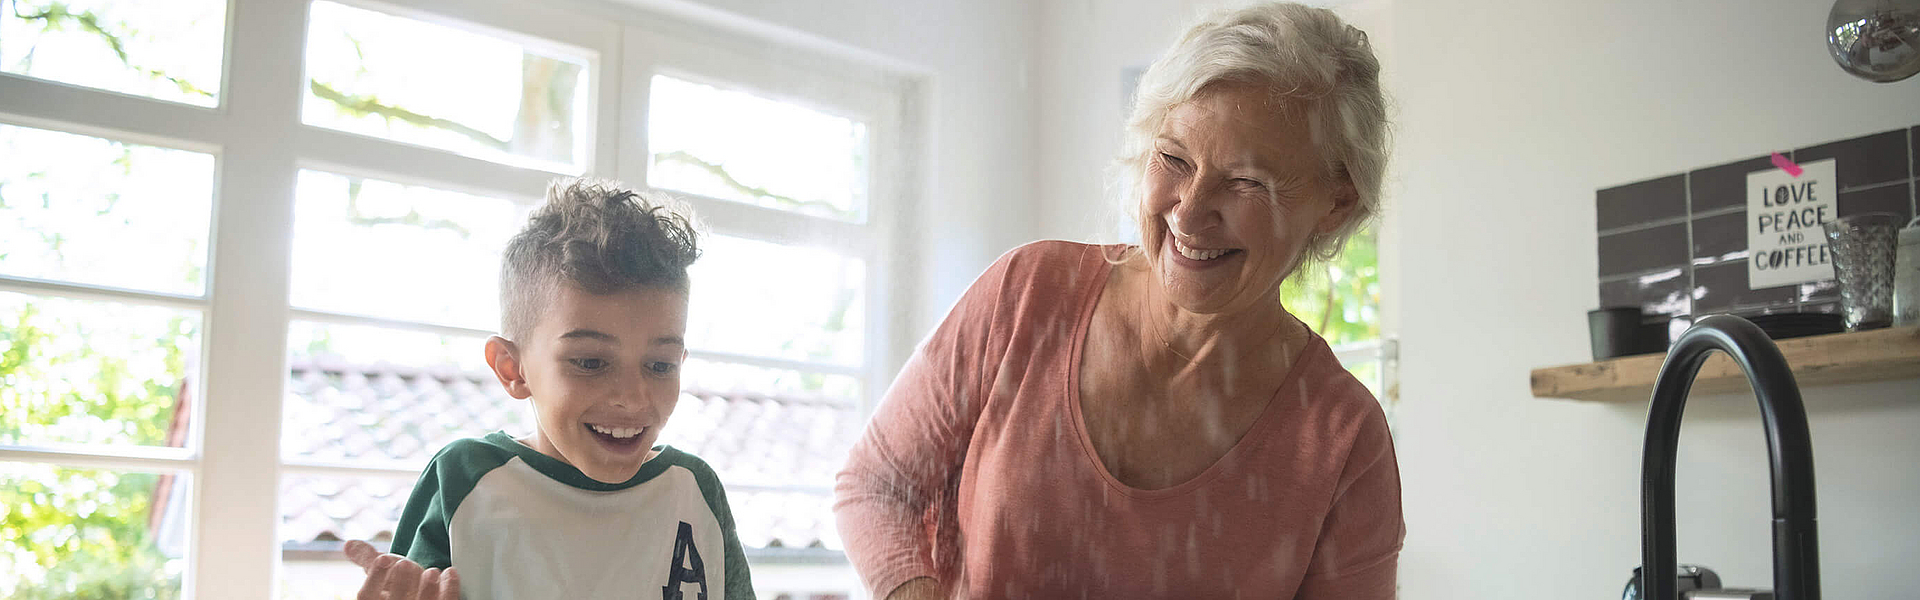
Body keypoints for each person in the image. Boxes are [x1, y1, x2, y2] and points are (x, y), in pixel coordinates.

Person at [833, 3, 1402, 598]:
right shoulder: (1029, 295)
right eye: (1174, 158)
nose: (1188, 211)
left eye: (1246, 181)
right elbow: (878, 486)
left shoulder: (1342, 442)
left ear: (1336, 201)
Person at [344, 178, 755, 600]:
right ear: (512, 369)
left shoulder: (695, 490)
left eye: (660, 365)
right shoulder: (463, 480)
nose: (633, 397)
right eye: (590, 363)